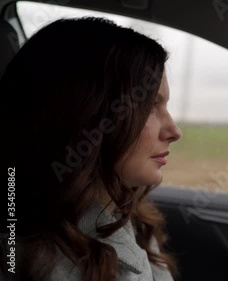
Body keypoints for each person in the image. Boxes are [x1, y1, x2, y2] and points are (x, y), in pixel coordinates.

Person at [0, 16, 182, 281]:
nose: (174, 132)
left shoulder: (125, 211)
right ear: (86, 115)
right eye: (150, 106)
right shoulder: (42, 265)